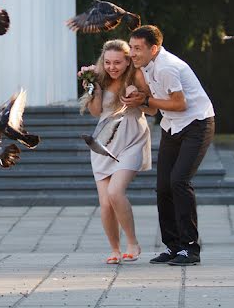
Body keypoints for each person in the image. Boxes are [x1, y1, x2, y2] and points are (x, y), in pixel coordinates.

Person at [124, 25, 215, 266]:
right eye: (131, 47)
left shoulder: (166, 67)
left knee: (179, 181)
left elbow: (180, 104)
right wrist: (136, 102)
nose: (131, 53)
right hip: (172, 127)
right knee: (163, 187)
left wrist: (145, 98)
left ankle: (190, 249)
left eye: (137, 48)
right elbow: (153, 108)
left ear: (153, 49)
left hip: (197, 124)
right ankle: (173, 247)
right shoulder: (146, 67)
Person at [79, 39, 156, 265]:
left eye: (118, 62)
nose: (113, 67)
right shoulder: (99, 79)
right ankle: (115, 249)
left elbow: (152, 110)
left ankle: (132, 242)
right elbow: (95, 112)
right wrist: (93, 90)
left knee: (115, 192)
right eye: (108, 62)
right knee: (105, 203)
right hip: (104, 142)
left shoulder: (137, 77)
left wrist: (137, 101)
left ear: (127, 61)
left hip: (132, 138)